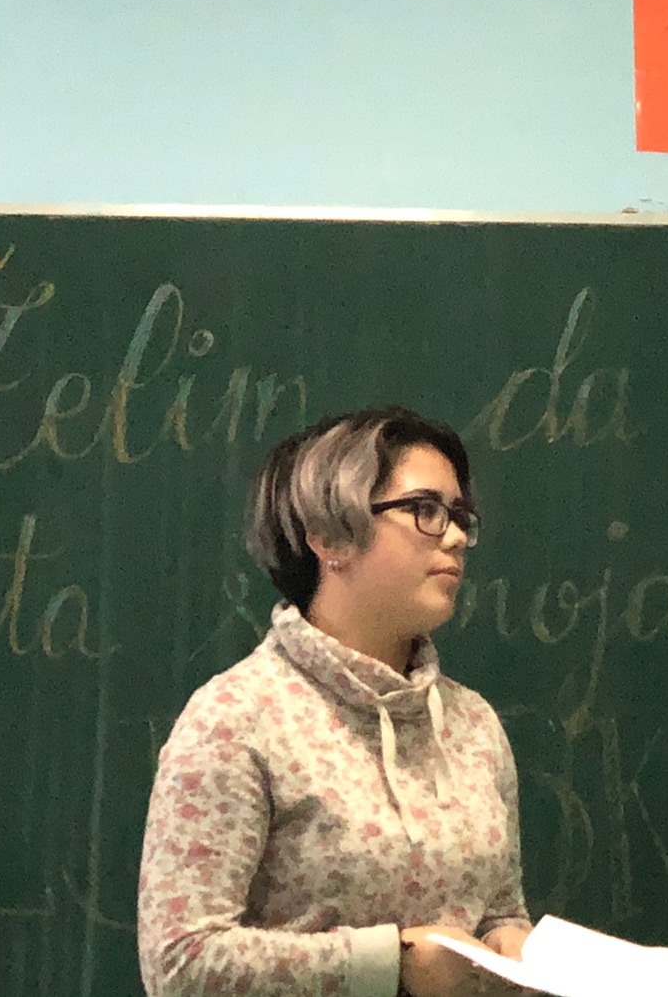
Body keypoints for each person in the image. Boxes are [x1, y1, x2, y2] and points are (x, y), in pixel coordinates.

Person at [138, 406, 531, 997]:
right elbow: (180, 963)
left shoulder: (472, 723)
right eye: (425, 510)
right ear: (329, 537)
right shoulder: (236, 718)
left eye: (458, 516)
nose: (454, 536)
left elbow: (499, 911)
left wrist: (512, 942)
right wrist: (391, 963)